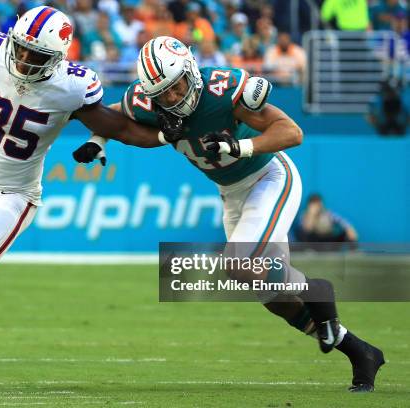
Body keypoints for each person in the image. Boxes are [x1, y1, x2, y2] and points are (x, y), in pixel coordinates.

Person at [73, 35, 385, 393]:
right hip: (232, 194)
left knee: (237, 262)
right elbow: (113, 117)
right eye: (163, 94)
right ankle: (360, 351)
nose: (172, 98)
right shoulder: (150, 99)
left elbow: (291, 131)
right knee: (271, 295)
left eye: (176, 88)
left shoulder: (222, 88)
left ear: (190, 72)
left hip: (270, 176)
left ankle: (318, 291)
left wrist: (242, 145)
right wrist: (98, 140)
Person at [0, 6, 161, 394]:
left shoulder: (71, 87)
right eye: (20, 49)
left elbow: (119, 126)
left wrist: (166, 137)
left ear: (56, 58)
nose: (23, 60)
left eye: (35, 55)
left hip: (12, 196)